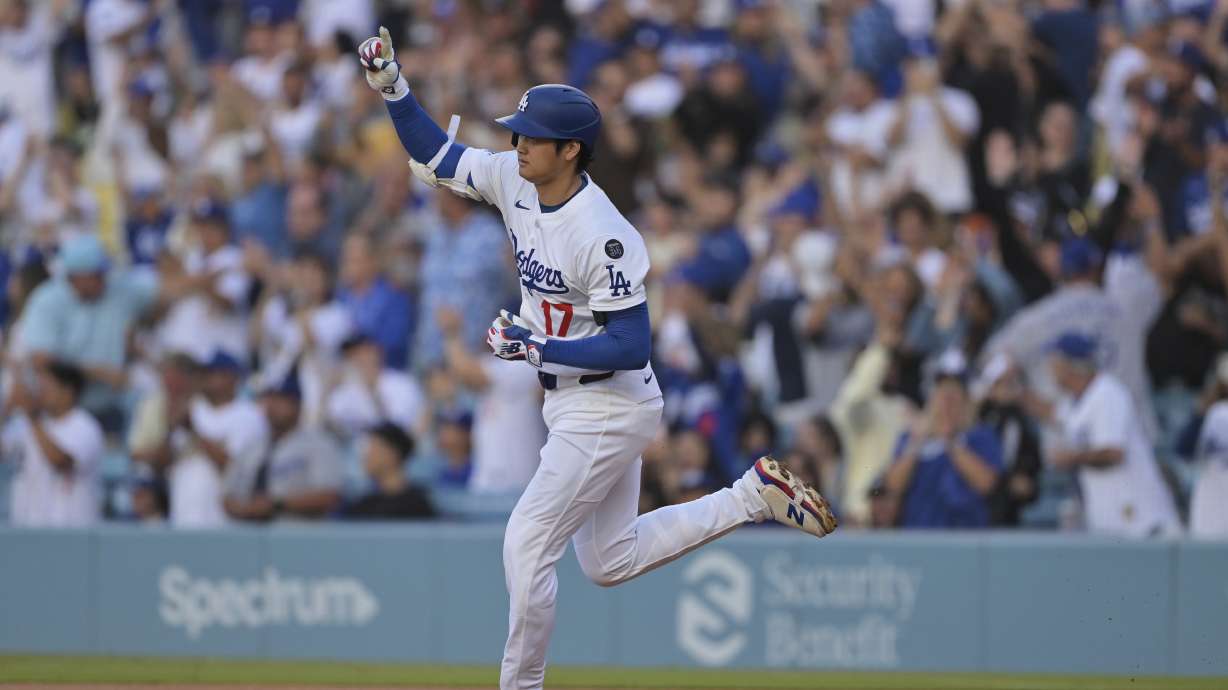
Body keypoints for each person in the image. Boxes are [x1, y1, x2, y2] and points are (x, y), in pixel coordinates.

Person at [358, 27, 837, 690]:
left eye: (532, 137)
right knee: (610, 560)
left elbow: (631, 342)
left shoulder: (603, 232)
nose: (519, 144)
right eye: (518, 132)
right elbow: (437, 154)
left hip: (608, 400)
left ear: (571, 149)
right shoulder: (514, 179)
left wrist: (538, 346)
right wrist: (394, 88)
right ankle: (751, 496)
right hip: (575, 400)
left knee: (526, 543)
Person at [1027, 333, 1181, 537]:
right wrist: (1017, 393)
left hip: (1142, 521)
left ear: (1069, 365)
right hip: (1117, 522)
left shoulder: (1107, 393)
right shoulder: (1078, 399)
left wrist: (1071, 458)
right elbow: (1051, 412)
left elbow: (1113, 453)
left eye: (1054, 362)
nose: (1050, 368)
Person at [882, 353, 1003, 528]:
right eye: (942, 394)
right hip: (919, 535)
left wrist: (950, 441)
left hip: (965, 537)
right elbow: (893, 486)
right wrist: (918, 441)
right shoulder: (913, 437)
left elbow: (987, 484)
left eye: (954, 396)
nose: (947, 403)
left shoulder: (980, 436)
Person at [223, 370, 343, 522]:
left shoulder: (319, 444)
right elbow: (227, 496)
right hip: (249, 536)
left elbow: (330, 496)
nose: (272, 406)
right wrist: (245, 509)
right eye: (269, 398)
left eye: (280, 399)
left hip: (297, 537)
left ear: (297, 404)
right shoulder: (251, 447)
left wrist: (277, 504)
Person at [2, 361, 104, 527]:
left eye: (48, 387)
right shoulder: (25, 423)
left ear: (69, 391)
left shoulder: (85, 425)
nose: (41, 393)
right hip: (28, 528)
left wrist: (32, 416)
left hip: (72, 534)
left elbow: (61, 461)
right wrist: (5, 409)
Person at [343, 421, 435, 520]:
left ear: (393, 453)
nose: (366, 456)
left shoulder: (418, 503)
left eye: (374, 448)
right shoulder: (363, 504)